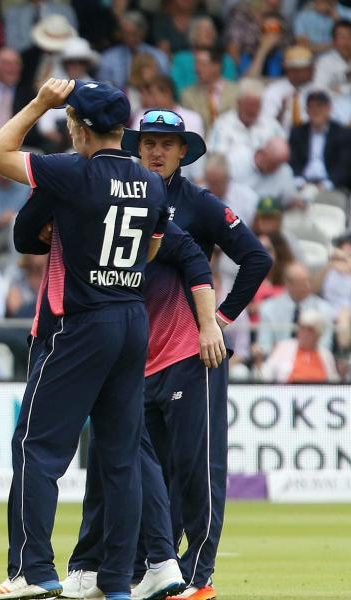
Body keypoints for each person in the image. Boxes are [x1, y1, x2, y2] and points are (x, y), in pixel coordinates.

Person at [64, 108, 270, 600]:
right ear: (136, 146)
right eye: (149, 142)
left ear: (183, 151)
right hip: (133, 354)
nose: (156, 151)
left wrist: (217, 321)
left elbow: (257, 257)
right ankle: (146, 568)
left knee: (195, 468)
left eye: (167, 144)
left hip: (191, 354)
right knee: (136, 469)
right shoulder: (125, 193)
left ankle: (198, 578)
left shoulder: (199, 204)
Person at [0, 78, 169, 600]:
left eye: (69, 123)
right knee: (120, 455)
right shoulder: (151, 182)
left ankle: (33, 571)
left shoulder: (71, 170)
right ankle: (117, 584)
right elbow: (151, 252)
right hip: (132, 317)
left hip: (81, 322)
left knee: (36, 449)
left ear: (79, 128)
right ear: (124, 130)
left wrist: (39, 102)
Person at [257, 262, 335, 356]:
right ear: (288, 284)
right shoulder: (268, 308)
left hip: (312, 361)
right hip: (278, 363)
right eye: (302, 283)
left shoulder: (325, 309)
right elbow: (264, 345)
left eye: (309, 281)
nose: (308, 286)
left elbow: (325, 346)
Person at [206, 78, 286, 156]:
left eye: (256, 106)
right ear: (238, 103)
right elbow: (216, 157)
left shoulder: (271, 125)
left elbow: (282, 154)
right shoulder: (222, 124)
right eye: (249, 106)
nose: (252, 111)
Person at [290, 90, 351, 191]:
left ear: (329, 108)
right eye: (311, 107)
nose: (316, 110)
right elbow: (293, 161)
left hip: (332, 186)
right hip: (302, 184)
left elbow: (345, 166)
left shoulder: (343, 133)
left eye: (320, 106)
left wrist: (327, 185)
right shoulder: (297, 132)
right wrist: (300, 182)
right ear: (307, 110)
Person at [260, 309, 340, 382]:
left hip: (320, 395)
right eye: (302, 328)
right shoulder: (284, 347)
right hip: (287, 393)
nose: (304, 333)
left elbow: (334, 381)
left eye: (310, 330)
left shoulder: (326, 355)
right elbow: (266, 373)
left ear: (318, 334)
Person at [98, 11, 170, 90]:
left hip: (151, 99)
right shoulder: (108, 57)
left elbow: (164, 86)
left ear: (143, 32)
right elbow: (103, 89)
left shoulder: (159, 57)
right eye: (125, 33)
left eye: (133, 33)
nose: (129, 38)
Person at [260, 45, 317, 135]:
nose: (312, 71)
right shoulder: (274, 91)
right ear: (292, 71)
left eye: (311, 68)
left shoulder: (318, 91)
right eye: (307, 68)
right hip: (281, 140)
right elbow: (266, 124)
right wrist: (281, 112)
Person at [180, 48, 240, 132]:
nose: (196, 69)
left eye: (202, 64)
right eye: (196, 64)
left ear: (216, 66)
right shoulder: (188, 95)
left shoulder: (236, 92)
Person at [227, 137, 297, 206]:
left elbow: (288, 201)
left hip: (265, 214)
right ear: (262, 153)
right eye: (273, 163)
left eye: (280, 164)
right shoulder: (237, 158)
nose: (276, 169)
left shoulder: (284, 171)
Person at [3, 0, 78, 53]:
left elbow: (72, 42)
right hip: (25, 61)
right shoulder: (13, 12)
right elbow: (11, 45)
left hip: (59, 58)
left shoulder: (65, 10)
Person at [313, 19, 351, 123]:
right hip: (334, 112)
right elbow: (319, 91)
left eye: (349, 36)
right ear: (334, 41)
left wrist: (342, 89)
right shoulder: (325, 62)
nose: (347, 42)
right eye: (342, 37)